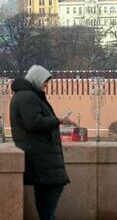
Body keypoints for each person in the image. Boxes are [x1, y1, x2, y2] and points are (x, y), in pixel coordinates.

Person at [10, 65, 71, 220]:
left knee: (46, 211)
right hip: (43, 161)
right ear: (36, 79)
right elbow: (34, 123)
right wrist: (58, 120)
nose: (46, 85)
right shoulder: (27, 97)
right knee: (48, 212)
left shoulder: (26, 96)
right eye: (44, 81)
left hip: (42, 162)